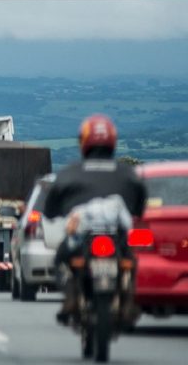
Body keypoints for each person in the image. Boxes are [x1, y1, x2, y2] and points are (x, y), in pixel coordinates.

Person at [42, 114, 147, 325]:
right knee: (132, 260)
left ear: (84, 143)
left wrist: (57, 214)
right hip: (116, 239)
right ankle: (128, 300)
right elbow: (140, 204)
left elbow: (51, 207)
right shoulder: (127, 173)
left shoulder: (70, 172)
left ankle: (71, 299)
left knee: (61, 258)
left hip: (85, 240)